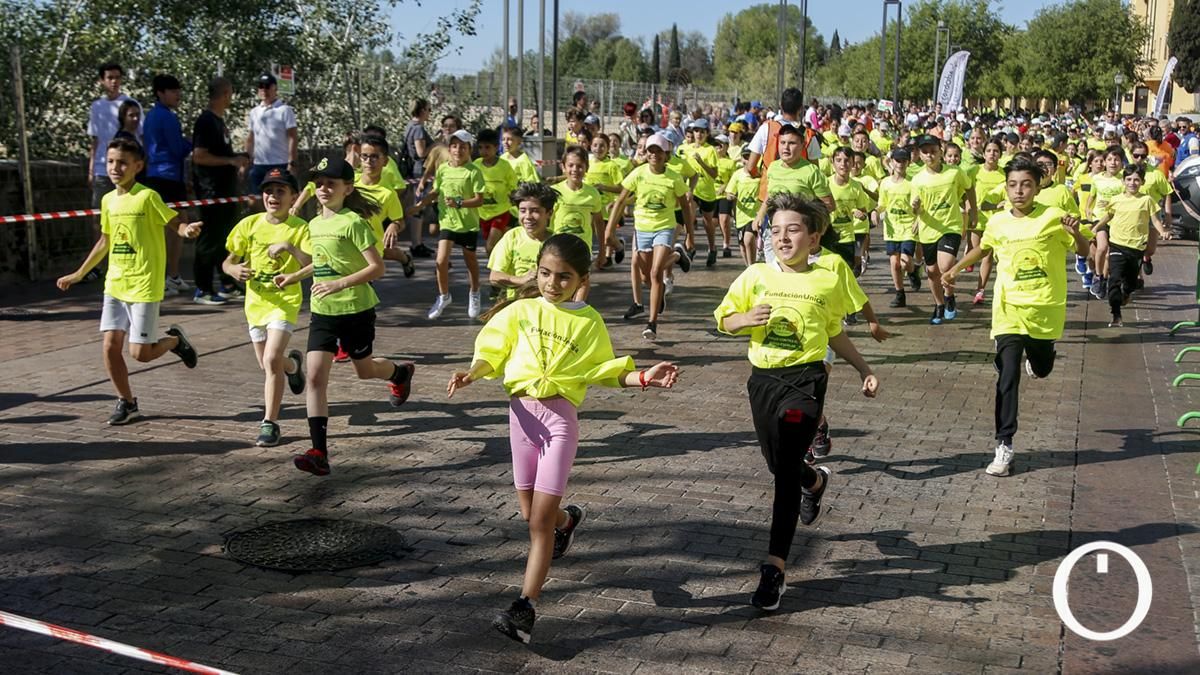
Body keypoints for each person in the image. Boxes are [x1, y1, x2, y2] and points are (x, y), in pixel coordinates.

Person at [448, 231, 678, 644]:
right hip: (520, 417)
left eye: (563, 277)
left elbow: (606, 372)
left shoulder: (588, 322)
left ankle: (524, 609)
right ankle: (568, 521)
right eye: (545, 274)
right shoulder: (520, 311)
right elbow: (492, 350)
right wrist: (472, 373)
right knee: (530, 514)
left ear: (581, 279)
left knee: (538, 523)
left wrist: (643, 376)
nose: (552, 284)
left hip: (559, 423)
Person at [714, 194, 877, 611]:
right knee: (779, 464)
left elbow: (834, 333)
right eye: (775, 230)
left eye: (793, 229)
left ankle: (774, 569)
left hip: (807, 379)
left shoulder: (826, 279)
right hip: (763, 380)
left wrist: (863, 368)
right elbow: (723, 319)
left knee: (783, 474)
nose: (782, 237)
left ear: (813, 237)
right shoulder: (754, 276)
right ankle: (815, 481)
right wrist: (742, 321)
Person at [942, 158, 1090, 476]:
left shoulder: (1052, 217)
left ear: (1038, 187)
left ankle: (1042, 357)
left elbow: (1084, 251)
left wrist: (1076, 234)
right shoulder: (997, 222)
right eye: (1012, 184)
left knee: (1042, 367)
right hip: (1008, 309)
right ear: (1006, 187)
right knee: (1007, 376)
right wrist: (955, 269)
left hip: (1044, 309)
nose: (1018, 190)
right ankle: (1004, 444)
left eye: (1026, 184)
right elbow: (984, 249)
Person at [273, 156, 415, 476]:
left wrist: (340, 283)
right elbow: (322, 263)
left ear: (347, 188)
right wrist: (293, 278)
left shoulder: (354, 222)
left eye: (331, 184)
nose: (323, 189)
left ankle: (399, 374)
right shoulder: (315, 224)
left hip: (356, 309)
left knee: (364, 371)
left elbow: (376, 268)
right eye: (319, 183)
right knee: (314, 378)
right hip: (323, 311)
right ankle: (318, 452)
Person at [55, 138, 203, 424]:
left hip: (144, 285)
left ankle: (173, 341)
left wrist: (186, 231)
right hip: (115, 284)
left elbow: (174, 222)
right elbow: (105, 240)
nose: (115, 167)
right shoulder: (108, 200)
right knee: (110, 346)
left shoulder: (148, 197)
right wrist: (78, 274)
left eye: (122, 162)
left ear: (138, 166)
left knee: (141, 355)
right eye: (110, 161)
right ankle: (127, 402)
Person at [222, 168, 309, 447]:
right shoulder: (249, 224)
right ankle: (293, 365)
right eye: (269, 191)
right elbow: (227, 261)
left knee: (271, 360)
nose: (273, 196)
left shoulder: (299, 227)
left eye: (280, 191)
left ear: (293, 196)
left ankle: (270, 423)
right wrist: (233, 270)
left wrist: (289, 247)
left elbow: (310, 262)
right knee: (267, 363)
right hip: (256, 303)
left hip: (284, 302)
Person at [598, 133, 692, 341]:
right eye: (651, 151)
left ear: (665, 154)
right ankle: (677, 256)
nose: (654, 155)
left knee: (656, 272)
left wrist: (690, 234)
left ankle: (652, 323)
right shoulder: (638, 174)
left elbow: (685, 206)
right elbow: (620, 201)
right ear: (646, 154)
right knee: (645, 273)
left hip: (664, 227)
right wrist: (609, 230)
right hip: (642, 229)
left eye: (658, 151)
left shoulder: (673, 178)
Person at [192, 77, 250, 305]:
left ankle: (227, 283)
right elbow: (199, 155)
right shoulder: (205, 121)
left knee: (225, 237)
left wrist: (237, 160)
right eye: (230, 93)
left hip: (226, 191)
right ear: (225, 94)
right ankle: (203, 288)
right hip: (211, 191)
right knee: (209, 238)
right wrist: (230, 161)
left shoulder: (219, 122)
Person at [418, 129, 486, 320]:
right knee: (440, 261)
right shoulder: (443, 169)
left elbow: (479, 200)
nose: (458, 150)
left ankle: (474, 292)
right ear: (450, 149)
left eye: (463, 147)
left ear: (469, 149)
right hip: (447, 222)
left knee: (470, 262)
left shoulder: (474, 172)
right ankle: (443, 296)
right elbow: (436, 191)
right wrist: (421, 203)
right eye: (454, 146)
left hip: (468, 224)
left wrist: (459, 203)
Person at [1093, 164, 1172, 327]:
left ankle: (1127, 293)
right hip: (1117, 245)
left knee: (1130, 283)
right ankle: (1116, 315)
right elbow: (1107, 216)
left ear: (1142, 182)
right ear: (1123, 181)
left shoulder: (1147, 200)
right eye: (1128, 179)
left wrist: (1163, 231)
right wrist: (1094, 228)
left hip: (1136, 248)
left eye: (1136, 180)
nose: (1132, 183)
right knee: (1114, 279)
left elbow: (1155, 220)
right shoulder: (1115, 200)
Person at [911, 134, 976, 325]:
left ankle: (950, 295)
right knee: (932, 272)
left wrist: (973, 212)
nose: (930, 155)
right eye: (925, 152)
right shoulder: (917, 180)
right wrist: (916, 207)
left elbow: (969, 188)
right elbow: (916, 209)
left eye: (933, 151)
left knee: (946, 266)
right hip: (928, 229)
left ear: (941, 152)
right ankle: (939, 304)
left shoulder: (954, 172)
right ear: (920, 155)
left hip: (951, 226)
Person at [878, 148, 920, 307]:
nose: (900, 164)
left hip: (909, 227)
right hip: (892, 228)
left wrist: (918, 214)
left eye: (903, 160)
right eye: (897, 160)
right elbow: (882, 204)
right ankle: (899, 293)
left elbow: (917, 207)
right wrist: (876, 212)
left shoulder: (912, 183)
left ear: (908, 162)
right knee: (895, 263)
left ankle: (912, 270)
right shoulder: (885, 183)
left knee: (905, 262)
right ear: (892, 162)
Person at [246, 73, 298, 193]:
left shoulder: (285, 110)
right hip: (259, 165)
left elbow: (293, 137)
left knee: (280, 199)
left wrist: (292, 162)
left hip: (280, 164)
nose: (264, 89)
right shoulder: (254, 112)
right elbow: (250, 138)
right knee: (255, 200)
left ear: (275, 88)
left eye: (267, 86)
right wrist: (247, 160)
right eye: (261, 86)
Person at [475, 128, 519, 256]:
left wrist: (516, 202)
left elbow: (514, 187)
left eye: (487, 147)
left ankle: (494, 274)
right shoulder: (476, 165)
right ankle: (502, 271)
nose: (484, 151)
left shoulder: (504, 166)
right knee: (500, 247)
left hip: (501, 212)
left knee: (490, 246)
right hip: (483, 214)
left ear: (496, 147)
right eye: (480, 148)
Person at [403, 99, 435, 258]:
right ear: (422, 110)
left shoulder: (410, 126)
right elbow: (421, 152)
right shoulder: (418, 129)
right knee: (419, 207)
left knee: (418, 207)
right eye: (429, 110)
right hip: (419, 172)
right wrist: (437, 144)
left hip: (414, 171)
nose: (430, 113)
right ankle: (416, 244)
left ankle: (417, 243)